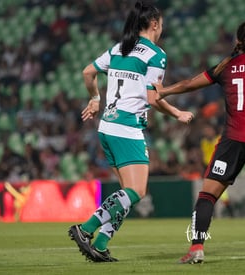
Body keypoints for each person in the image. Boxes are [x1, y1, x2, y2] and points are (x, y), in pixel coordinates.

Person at [154, 21, 245, 263]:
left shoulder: (226, 66)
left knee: (208, 195)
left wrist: (165, 90)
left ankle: (197, 248)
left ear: (238, 42)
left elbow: (190, 84)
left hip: (235, 138)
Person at [68, 1, 194, 263]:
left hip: (107, 127)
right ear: (155, 24)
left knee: (127, 193)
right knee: (136, 192)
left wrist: (94, 98)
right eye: (162, 24)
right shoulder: (155, 54)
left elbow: (88, 72)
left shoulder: (118, 48)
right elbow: (153, 98)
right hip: (126, 128)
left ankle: (101, 245)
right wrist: (178, 113)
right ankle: (86, 228)